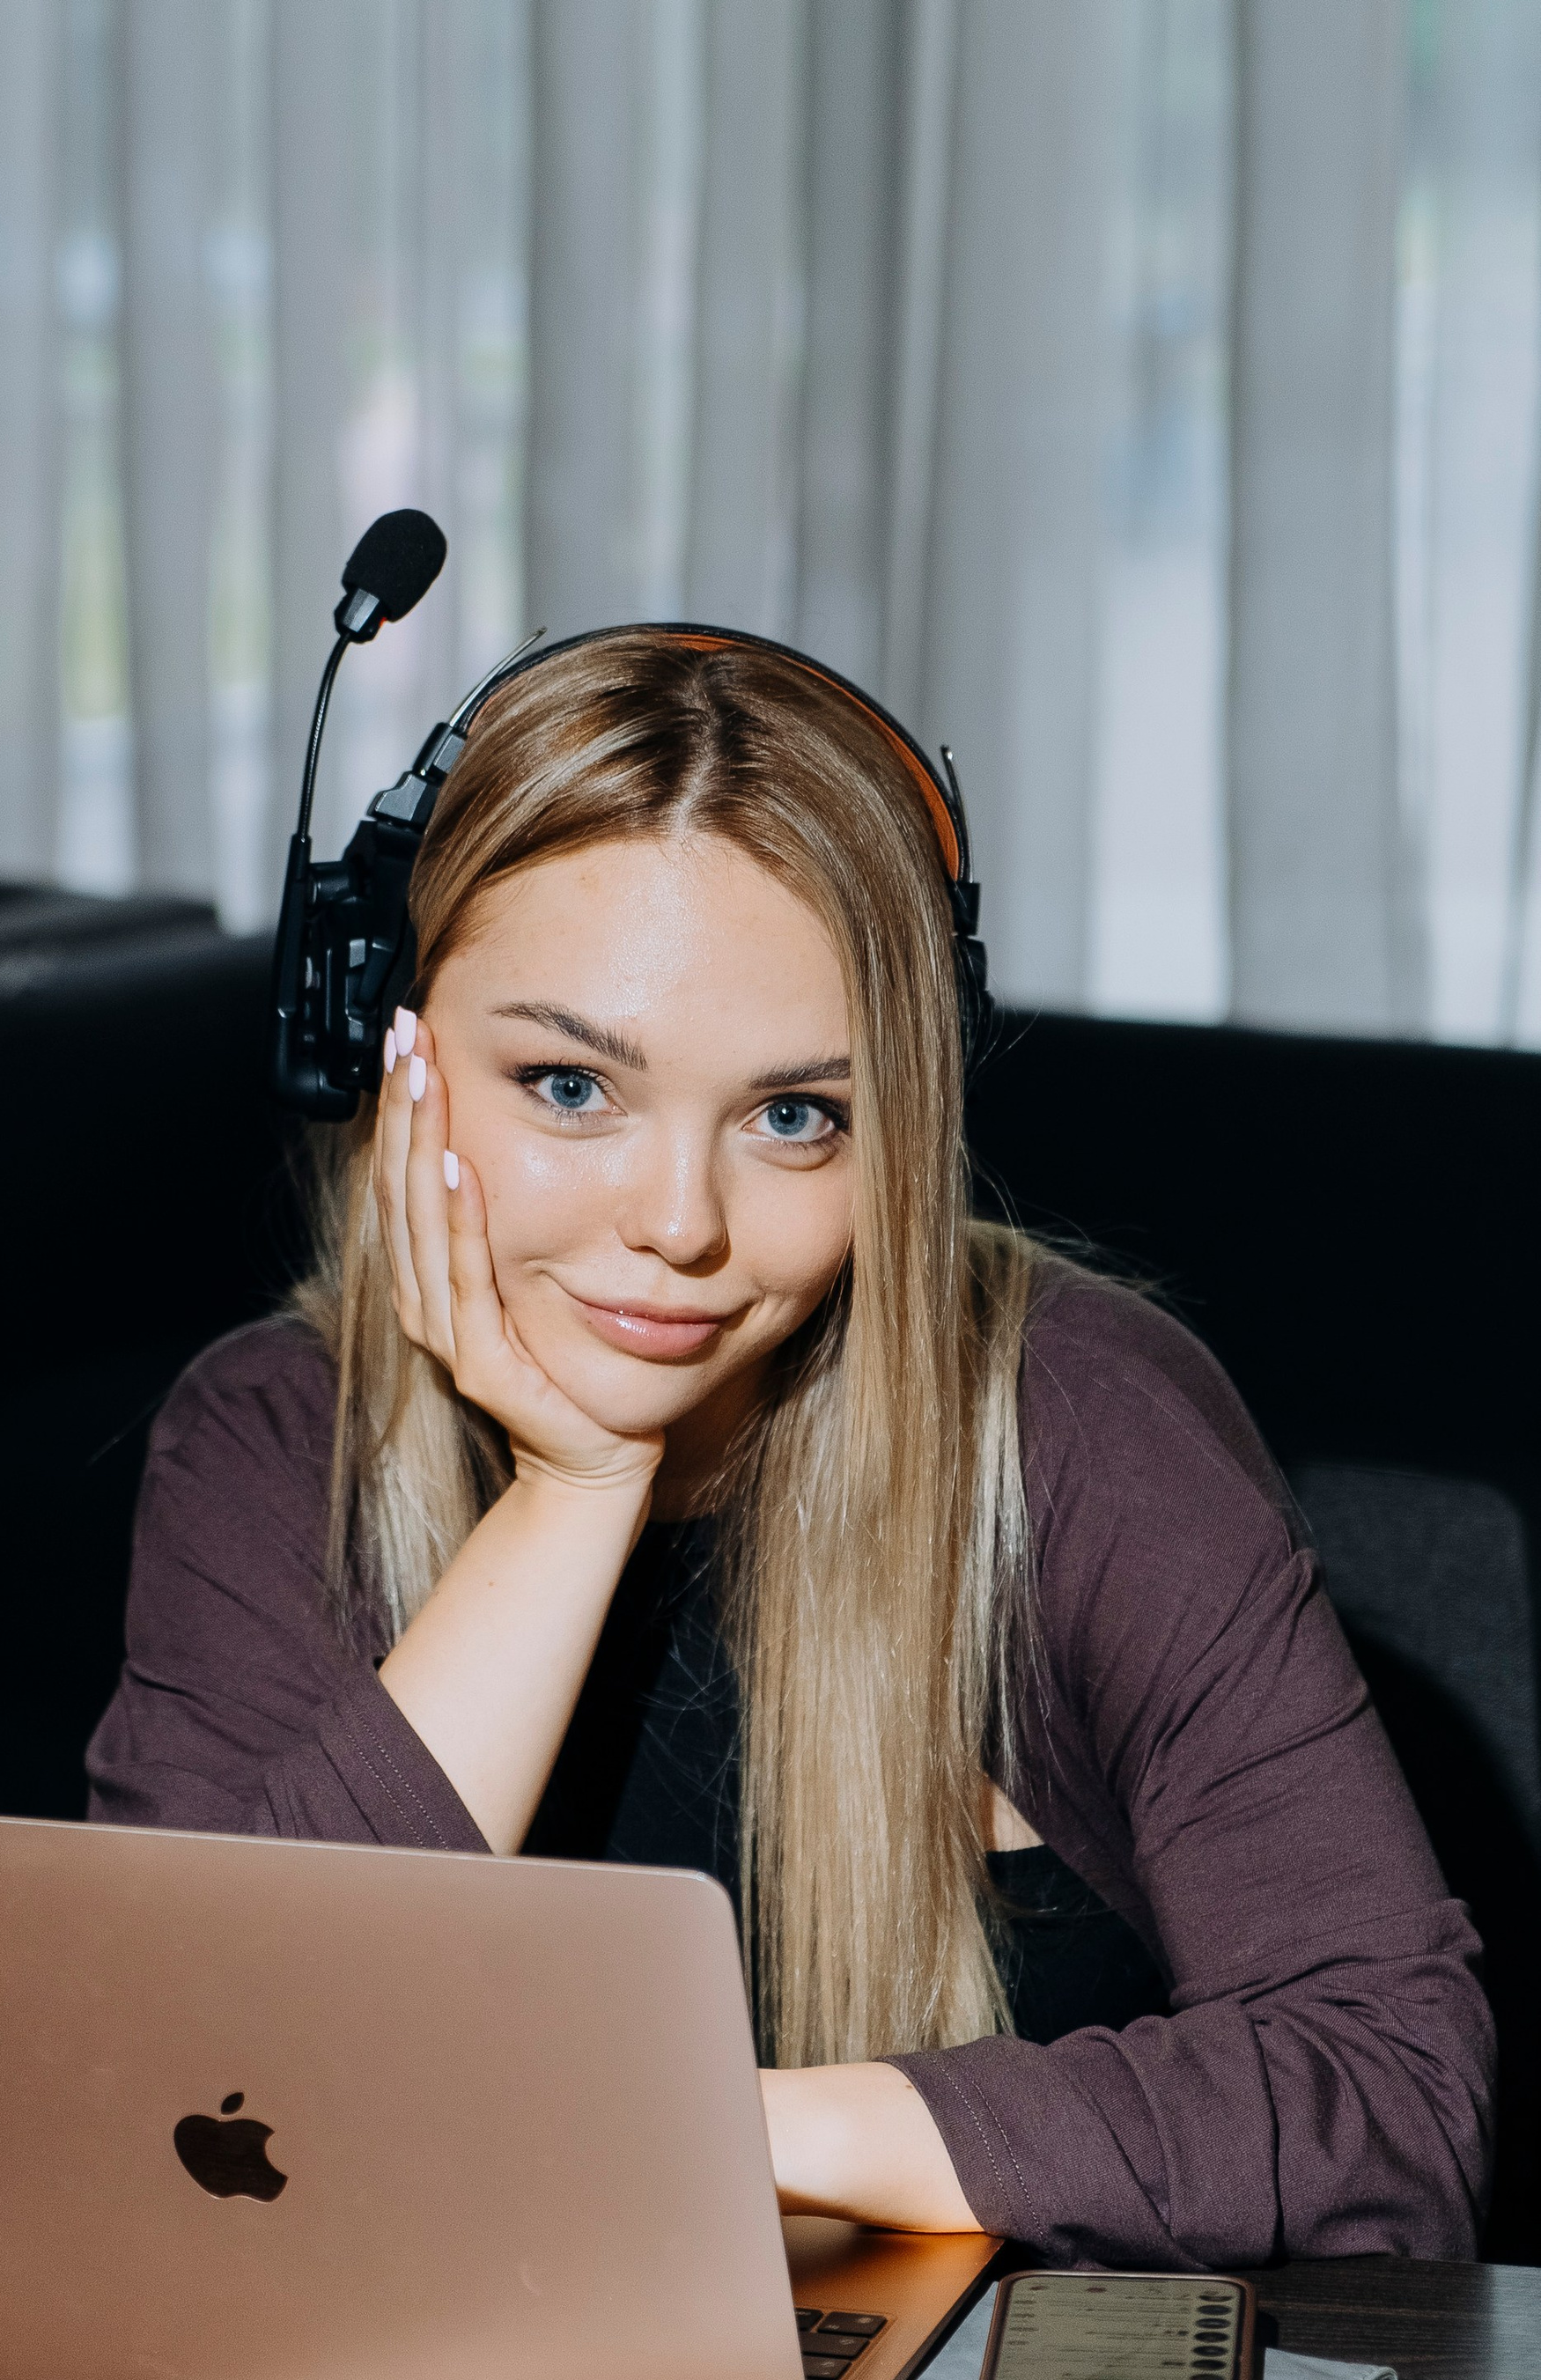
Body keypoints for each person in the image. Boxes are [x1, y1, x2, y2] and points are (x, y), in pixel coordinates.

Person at [88, 630, 1493, 2267]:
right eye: (566, 1084)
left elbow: (1396, 2107)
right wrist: (577, 1491)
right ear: (384, 1055)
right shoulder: (272, 1438)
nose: (678, 1227)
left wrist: (694, 2131)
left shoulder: (1081, 1432)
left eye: (793, 1117)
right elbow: (186, 2091)